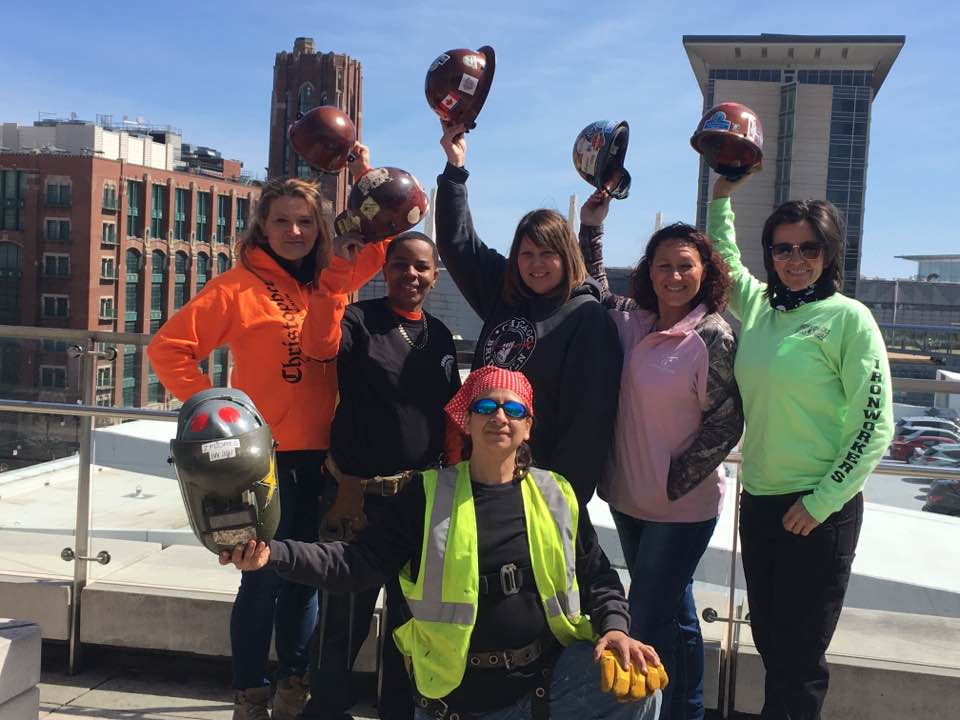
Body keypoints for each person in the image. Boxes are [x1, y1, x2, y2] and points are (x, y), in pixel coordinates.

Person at [221, 366, 664, 720]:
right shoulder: (426, 494)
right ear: (467, 422)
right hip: (458, 701)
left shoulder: (556, 494)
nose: (499, 417)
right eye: (486, 406)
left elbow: (597, 574)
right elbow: (357, 563)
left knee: (639, 680)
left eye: (513, 410)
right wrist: (273, 553)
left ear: (528, 426)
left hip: (544, 686)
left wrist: (615, 628)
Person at [148, 160, 390, 720]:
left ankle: (293, 686)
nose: (295, 232)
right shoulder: (236, 288)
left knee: (306, 581)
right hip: (258, 461)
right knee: (259, 581)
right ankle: (249, 693)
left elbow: (379, 243)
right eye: (282, 221)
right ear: (262, 227)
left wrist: (365, 170)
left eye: (306, 221)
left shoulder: (327, 280)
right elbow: (169, 349)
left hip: (324, 459)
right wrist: (217, 412)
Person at [707, 171, 893, 719]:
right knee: (769, 642)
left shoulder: (847, 320)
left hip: (818, 510)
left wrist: (821, 502)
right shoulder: (762, 306)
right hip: (760, 501)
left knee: (800, 657)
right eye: (782, 248)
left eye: (808, 248)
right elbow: (723, 259)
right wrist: (721, 198)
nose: (794, 259)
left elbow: (875, 424)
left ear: (829, 252)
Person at [578, 191, 743, 720]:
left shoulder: (712, 335)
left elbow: (725, 422)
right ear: (648, 272)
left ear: (705, 271)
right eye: (663, 266)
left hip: (681, 510)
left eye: (685, 266)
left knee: (643, 619)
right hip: (628, 500)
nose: (674, 276)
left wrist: (672, 481)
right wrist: (591, 227)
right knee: (677, 612)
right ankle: (686, 710)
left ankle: (644, 711)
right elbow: (592, 285)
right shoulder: (631, 321)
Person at [304, 231, 461, 720]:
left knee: (408, 621)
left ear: (435, 276)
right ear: (385, 270)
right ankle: (325, 710)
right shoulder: (357, 320)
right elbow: (318, 345)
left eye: (421, 268)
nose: (410, 276)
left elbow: (450, 415)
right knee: (342, 620)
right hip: (356, 498)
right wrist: (335, 278)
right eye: (400, 265)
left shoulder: (438, 335)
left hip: (418, 499)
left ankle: (399, 712)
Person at [434, 122, 622, 505]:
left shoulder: (587, 318)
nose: (536, 265)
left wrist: (562, 499)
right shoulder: (506, 294)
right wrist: (455, 171)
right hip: (481, 475)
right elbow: (458, 245)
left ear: (566, 256)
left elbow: (588, 423)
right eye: (526, 254)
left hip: (540, 488)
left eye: (547, 254)